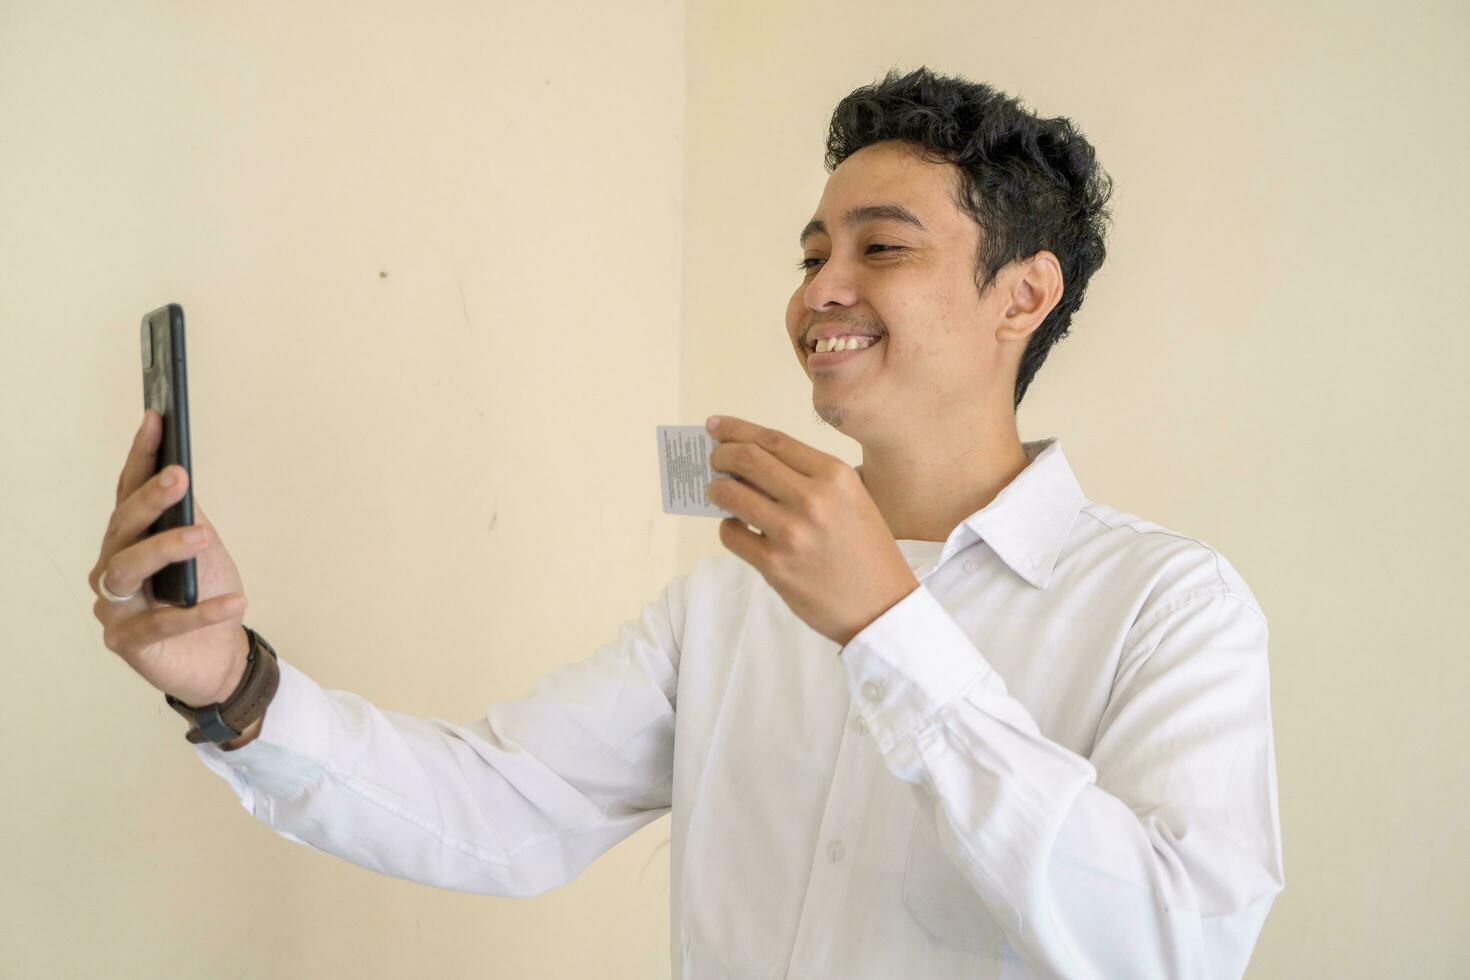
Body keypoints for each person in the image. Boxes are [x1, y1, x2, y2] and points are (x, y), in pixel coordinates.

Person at [90, 66, 1283, 978]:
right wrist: (233, 685)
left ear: (1024, 293)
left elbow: (1174, 943)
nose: (821, 289)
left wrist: (887, 626)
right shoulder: (733, 598)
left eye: (883, 247)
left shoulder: (1169, 604)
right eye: (815, 250)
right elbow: (501, 811)